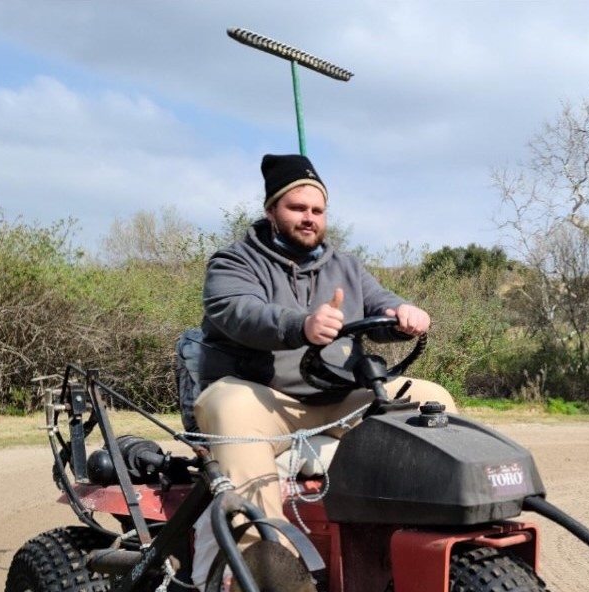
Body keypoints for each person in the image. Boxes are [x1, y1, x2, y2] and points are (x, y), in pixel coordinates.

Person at [192, 153, 455, 536]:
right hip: (268, 402)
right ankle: (265, 559)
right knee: (228, 406)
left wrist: (403, 315)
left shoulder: (346, 266)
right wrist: (302, 326)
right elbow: (237, 311)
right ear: (271, 211)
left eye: (317, 209)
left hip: (339, 398)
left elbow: (380, 302)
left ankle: (424, 536)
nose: (308, 217)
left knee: (433, 399)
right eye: (297, 207)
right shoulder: (234, 262)